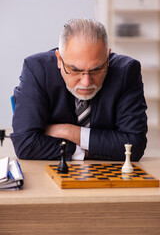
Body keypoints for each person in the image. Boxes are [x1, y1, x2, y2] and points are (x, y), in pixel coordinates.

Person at [10, 18, 147, 161]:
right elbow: (26, 145)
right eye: (75, 70)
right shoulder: (37, 70)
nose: (86, 82)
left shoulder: (127, 72)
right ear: (59, 59)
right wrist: (82, 150)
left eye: (97, 69)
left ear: (107, 59)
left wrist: (69, 132)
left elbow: (134, 146)